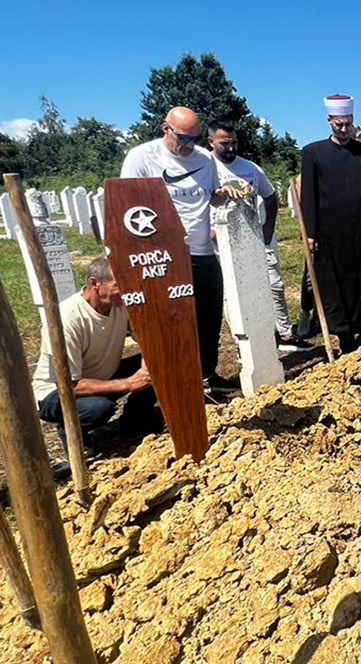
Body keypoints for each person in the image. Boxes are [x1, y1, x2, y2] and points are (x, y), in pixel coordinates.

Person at [120, 106, 242, 396]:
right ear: (166, 128)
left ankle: (206, 377)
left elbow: (210, 198)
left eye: (195, 139)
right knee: (174, 323)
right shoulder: (142, 158)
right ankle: (176, 384)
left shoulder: (204, 160)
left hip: (201, 252)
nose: (190, 145)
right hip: (164, 255)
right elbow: (126, 205)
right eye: (184, 139)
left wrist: (221, 196)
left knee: (208, 318)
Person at [32, 258, 161, 450]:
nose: (127, 291)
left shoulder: (121, 304)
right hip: (57, 391)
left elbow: (147, 339)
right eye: (119, 285)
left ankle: (135, 421)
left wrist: (147, 362)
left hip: (100, 375)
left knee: (160, 363)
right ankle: (74, 435)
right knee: (97, 409)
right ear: (95, 284)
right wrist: (129, 383)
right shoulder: (67, 320)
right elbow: (69, 384)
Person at [207, 120, 311, 352]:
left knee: (274, 284)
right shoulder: (205, 169)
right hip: (221, 242)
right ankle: (245, 343)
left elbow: (270, 197)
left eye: (234, 142)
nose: (231, 148)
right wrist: (206, 232)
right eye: (225, 143)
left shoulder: (250, 168)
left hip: (255, 236)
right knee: (232, 294)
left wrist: (268, 228)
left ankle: (285, 333)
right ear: (210, 141)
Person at [300, 94, 361, 353]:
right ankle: (344, 335)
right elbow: (309, 196)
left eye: (348, 124)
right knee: (337, 283)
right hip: (330, 233)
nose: (344, 129)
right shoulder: (313, 153)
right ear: (329, 121)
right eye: (338, 124)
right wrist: (311, 232)